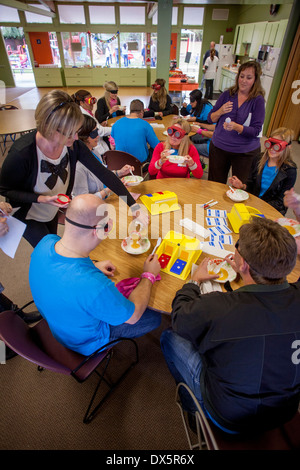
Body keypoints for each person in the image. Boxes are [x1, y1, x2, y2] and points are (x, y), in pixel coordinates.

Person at [161, 217, 300, 435]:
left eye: (237, 248)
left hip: (229, 415)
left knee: (169, 337)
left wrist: (194, 280)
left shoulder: (219, 307)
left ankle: (193, 409)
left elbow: (180, 316)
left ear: (243, 263)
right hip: (286, 410)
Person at [0, 90, 142, 248]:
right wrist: (40, 199)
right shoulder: (22, 154)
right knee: (51, 251)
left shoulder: (74, 146)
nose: (75, 138)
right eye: (70, 133)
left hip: (52, 210)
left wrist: (134, 206)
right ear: (50, 127)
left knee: (53, 245)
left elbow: (105, 175)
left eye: (77, 132)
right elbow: (5, 189)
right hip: (27, 214)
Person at [29, 194, 162, 356]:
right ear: (97, 231)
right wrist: (148, 275)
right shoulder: (94, 285)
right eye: (107, 225)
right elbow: (133, 316)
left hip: (57, 323)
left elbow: (62, 271)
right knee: (154, 318)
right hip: (84, 342)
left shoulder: (46, 241)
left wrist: (93, 266)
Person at [207, 60, 265, 184]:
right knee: (214, 185)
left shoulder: (257, 100)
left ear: (255, 80)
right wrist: (220, 111)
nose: (244, 80)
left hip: (245, 152)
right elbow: (210, 118)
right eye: (241, 76)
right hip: (219, 148)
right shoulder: (228, 94)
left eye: (248, 77)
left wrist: (236, 127)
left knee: (240, 188)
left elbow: (256, 130)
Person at [228, 127, 297, 215]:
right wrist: (242, 186)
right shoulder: (258, 159)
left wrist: (257, 206)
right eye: (270, 144)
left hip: (270, 211)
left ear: (287, 147)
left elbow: (280, 203)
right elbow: (251, 184)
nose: (272, 149)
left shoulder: (290, 171)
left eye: (277, 146)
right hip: (253, 204)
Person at [73, 115, 133, 198]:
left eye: (97, 131)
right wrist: (108, 189)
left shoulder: (95, 152)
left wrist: (120, 172)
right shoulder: (78, 167)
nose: (98, 136)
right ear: (84, 137)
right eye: (94, 134)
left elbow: (103, 175)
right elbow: (82, 201)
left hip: (106, 199)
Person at [72, 89, 112, 155]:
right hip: (96, 147)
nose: (92, 104)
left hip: (97, 142)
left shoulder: (86, 111)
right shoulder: (83, 115)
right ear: (81, 103)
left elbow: (94, 128)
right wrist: (117, 128)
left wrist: (99, 125)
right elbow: (100, 131)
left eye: (93, 100)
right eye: (89, 101)